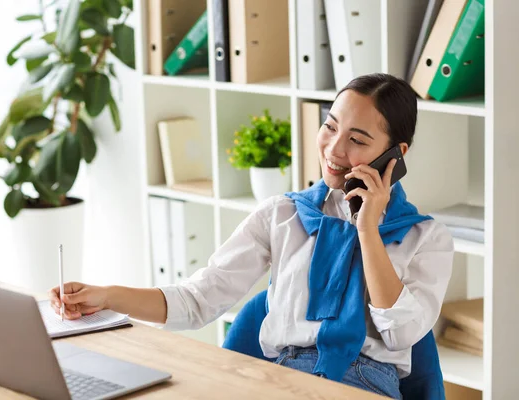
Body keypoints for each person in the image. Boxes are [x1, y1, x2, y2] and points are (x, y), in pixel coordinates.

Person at [49, 73, 453, 399]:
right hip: (276, 381)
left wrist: (367, 229)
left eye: (358, 140)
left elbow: (403, 334)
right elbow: (197, 300)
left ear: (395, 154)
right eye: (330, 126)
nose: (334, 147)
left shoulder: (425, 238)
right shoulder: (283, 214)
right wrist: (106, 296)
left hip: (364, 385)